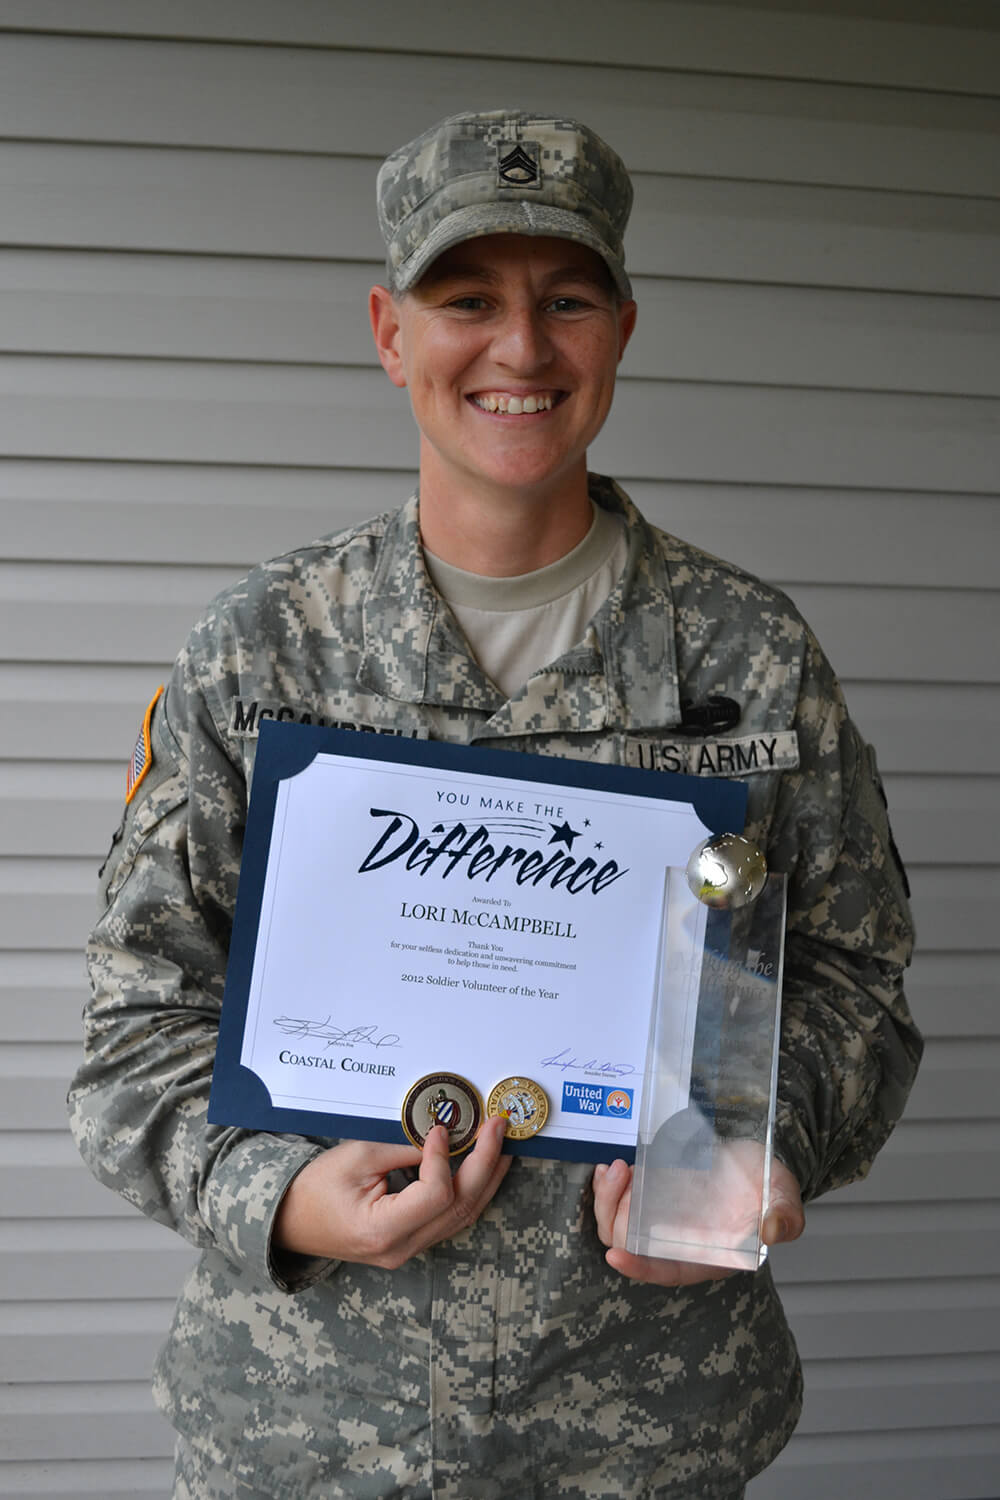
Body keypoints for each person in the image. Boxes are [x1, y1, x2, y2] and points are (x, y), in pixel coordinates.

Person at [68, 111, 921, 1499]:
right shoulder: (266, 650)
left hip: (645, 1430)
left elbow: (854, 988)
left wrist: (742, 1162)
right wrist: (274, 1196)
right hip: (308, 1432)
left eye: (565, 300)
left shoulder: (745, 660)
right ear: (389, 333)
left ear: (622, 330)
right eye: (468, 300)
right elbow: (135, 1025)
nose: (521, 351)